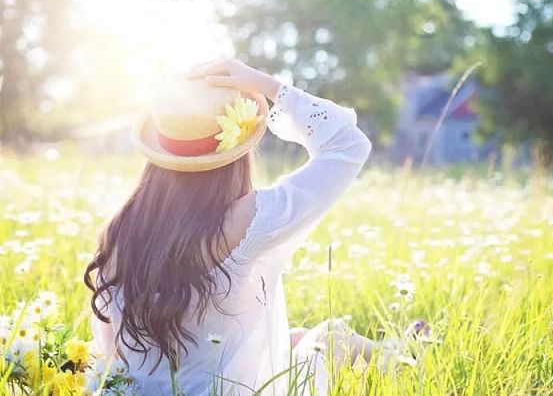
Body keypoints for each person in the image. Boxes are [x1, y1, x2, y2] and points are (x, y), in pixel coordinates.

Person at [84, 59, 421, 395]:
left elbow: (112, 352)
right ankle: (406, 356)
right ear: (237, 152)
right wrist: (269, 86)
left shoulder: (120, 230)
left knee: (297, 339)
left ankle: (399, 350)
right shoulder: (248, 220)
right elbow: (348, 144)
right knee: (330, 338)